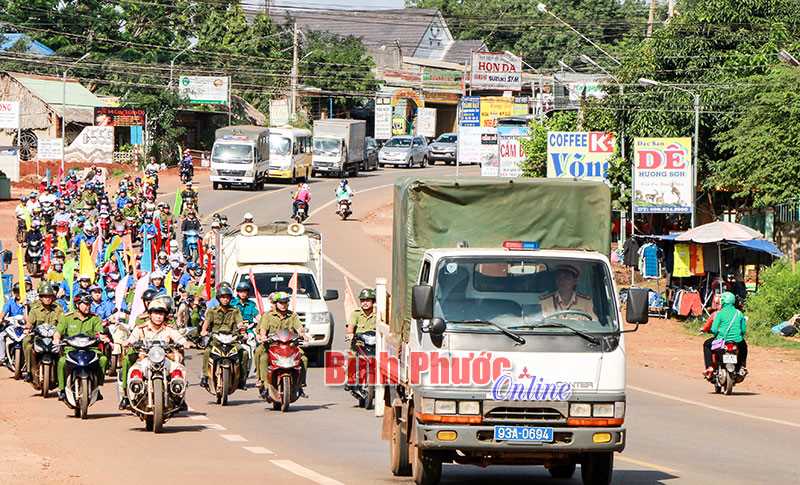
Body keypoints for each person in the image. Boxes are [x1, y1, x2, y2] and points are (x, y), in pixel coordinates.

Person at [119, 296, 195, 410]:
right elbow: (131, 339)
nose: (158, 316)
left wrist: (185, 343)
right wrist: (128, 342)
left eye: (161, 313)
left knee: (179, 369)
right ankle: (129, 397)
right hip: (144, 358)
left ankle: (181, 397)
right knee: (133, 372)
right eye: (155, 313)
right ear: (150, 314)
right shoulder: (141, 329)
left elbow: (179, 338)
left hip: (166, 359)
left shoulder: (169, 329)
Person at [53, 293, 109, 401]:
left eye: (89, 304)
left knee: (103, 359)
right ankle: (62, 390)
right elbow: (58, 332)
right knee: (61, 362)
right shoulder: (67, 318)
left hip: (91, 349)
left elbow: (100, 332)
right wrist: (56, 339)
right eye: (85, 304)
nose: (88, 307)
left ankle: (97, 387)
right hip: (71, 349)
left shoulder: (94, 318)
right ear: (77, 304)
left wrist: (103, 337)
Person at [256, 292, 307, 398]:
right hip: (271, 345)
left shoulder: (292, 315)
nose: (283, 305)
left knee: (303, 359)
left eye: (285, 302)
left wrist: (303, 334)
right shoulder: (268, 315)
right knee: (262, 357)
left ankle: (300, 385)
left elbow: (299, 328)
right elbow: (263, 329)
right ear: (275, 303)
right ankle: (264, 383)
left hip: (289, 346)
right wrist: (263, 337)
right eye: (281, 302)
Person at [200, 284, 248, 389]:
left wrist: (243, 331)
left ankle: (242, 379)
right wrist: (204, 331)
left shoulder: (235, 311)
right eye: (223, 297)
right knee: (207, 351)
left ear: (230, 299)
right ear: (218, 298)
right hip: (216, 339)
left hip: (232, 339)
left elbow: (240, 323)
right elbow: (206, 324)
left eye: (227, 297)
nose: (225, 300)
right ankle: (204, 376)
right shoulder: (212, 311)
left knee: (244, 353)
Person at [22, 283, 63, 383]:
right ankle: (28, 371)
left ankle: (62, 375)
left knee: (64, 348)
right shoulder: (35, 310)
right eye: (45, 296)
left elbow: (62, 322)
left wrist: (61, 332)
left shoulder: (58, 309)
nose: (47, 298)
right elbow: (30, 322)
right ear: (40, 298)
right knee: (27, 343)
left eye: (49, 296)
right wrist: (28, 328)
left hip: (54, 337)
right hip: (38, 337)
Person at [703, 291, 748, 378]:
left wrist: (715, 333)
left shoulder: (720, 313)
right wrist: (739, 336)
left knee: (706, 345)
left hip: (721, 341)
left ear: (723, 301)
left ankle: (710, 367)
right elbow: (743, 330)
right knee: (744, 347)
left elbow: (714, 329)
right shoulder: (739, 313)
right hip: (737, 341)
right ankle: (742, 366)